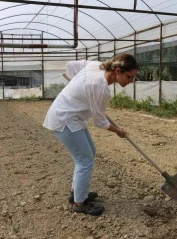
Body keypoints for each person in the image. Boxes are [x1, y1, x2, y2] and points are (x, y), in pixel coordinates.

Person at [43, 54, 139, 215]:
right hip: (65, 119)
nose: (130, 81)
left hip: (73, 117)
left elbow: (70, 65)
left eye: (133, 78)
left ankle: (76, 193)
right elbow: (100, 122)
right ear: (117, 71)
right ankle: (79, 204)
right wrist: (118, 132)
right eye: (129, 77)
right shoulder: (100, 87)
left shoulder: (96, 65)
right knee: (85, 160)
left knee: (89, 153)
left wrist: (79, 88)